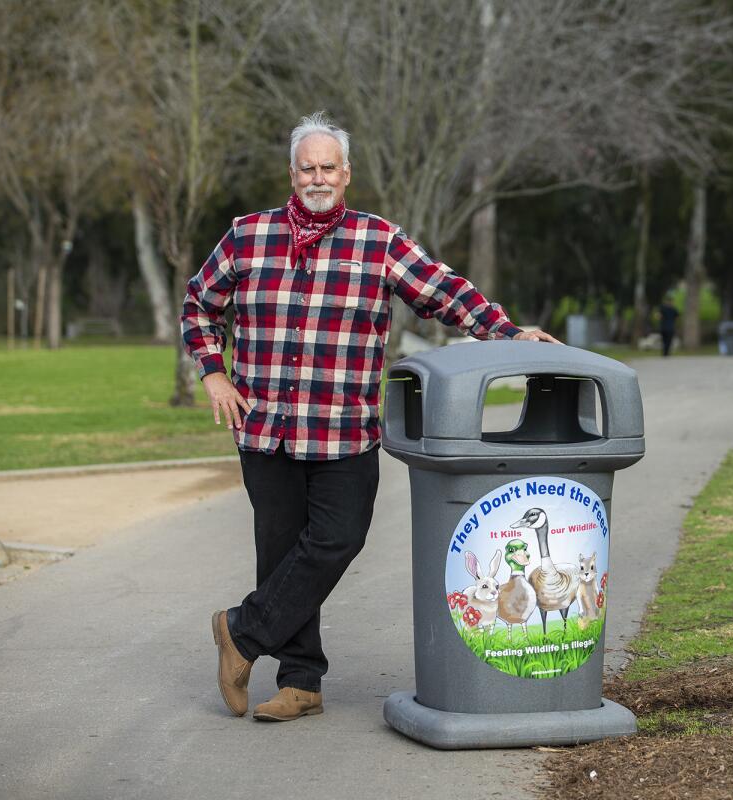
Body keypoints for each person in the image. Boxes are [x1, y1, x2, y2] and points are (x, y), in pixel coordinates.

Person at [182, 112, 559, 723]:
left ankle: (241, 632)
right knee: (281, 555)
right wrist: (213, 371)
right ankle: (301, 682)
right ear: (292, 172)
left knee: (337, 540)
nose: (318, 177)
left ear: (347, 173)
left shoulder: (377, 241)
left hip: (344, 428)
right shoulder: (247, 236)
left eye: (329, 167)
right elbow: (199, 302)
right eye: (308, 167)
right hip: (266, 426)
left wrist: (506, 331)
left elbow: (442, 291)